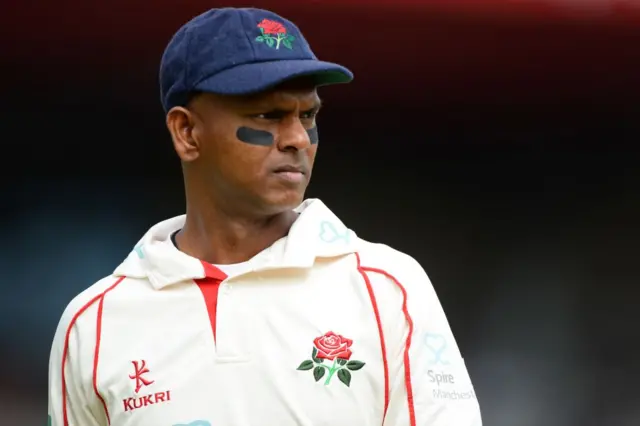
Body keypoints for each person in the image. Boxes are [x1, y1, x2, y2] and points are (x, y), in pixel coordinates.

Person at [48, 7, 482, 426]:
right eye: (268, 115)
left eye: (307, 115)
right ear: (187, 132)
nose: (297, 138)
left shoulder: (387, 288)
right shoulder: (95, 323)